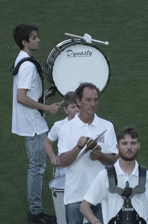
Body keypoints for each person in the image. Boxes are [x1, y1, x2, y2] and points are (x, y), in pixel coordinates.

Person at [13, 24, 63, 224]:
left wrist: (47, 96)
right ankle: (35, 214)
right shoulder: (26, 66)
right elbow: (21, 97)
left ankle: (36, 212)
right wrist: (47, 109)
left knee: (37, 167)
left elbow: (28, 94)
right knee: (37, 168)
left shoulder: (22, 60)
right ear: (25, 42)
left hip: (32, 122)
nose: (38, 40)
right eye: (34, 37)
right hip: (33, 125)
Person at [79, 128, 148, 224]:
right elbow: (84, 206)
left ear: (138, 146)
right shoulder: (104, 176)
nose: (129, 147)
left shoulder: (147, 177)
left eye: (133, 143)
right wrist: (96, 222)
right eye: (124, 143)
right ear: (117, 147)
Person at [57, 83, 117, 224]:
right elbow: (63, 161)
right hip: (74, 195)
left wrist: (100, 156)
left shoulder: (107, 127)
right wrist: (78, 147)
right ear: (78, 101)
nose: (92, 104)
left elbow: (114, 160)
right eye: (88, 100)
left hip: (101, 195)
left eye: (95, 100)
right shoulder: (66, 129)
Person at [46, 92, 80, 190]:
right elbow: (48, 142)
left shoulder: (87, 125)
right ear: (66, 110)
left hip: (81, 173)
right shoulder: (59, 126)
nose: (76, 110)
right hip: (63, 173)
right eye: (72, 107)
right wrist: (52, 157)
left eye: (78, 106)